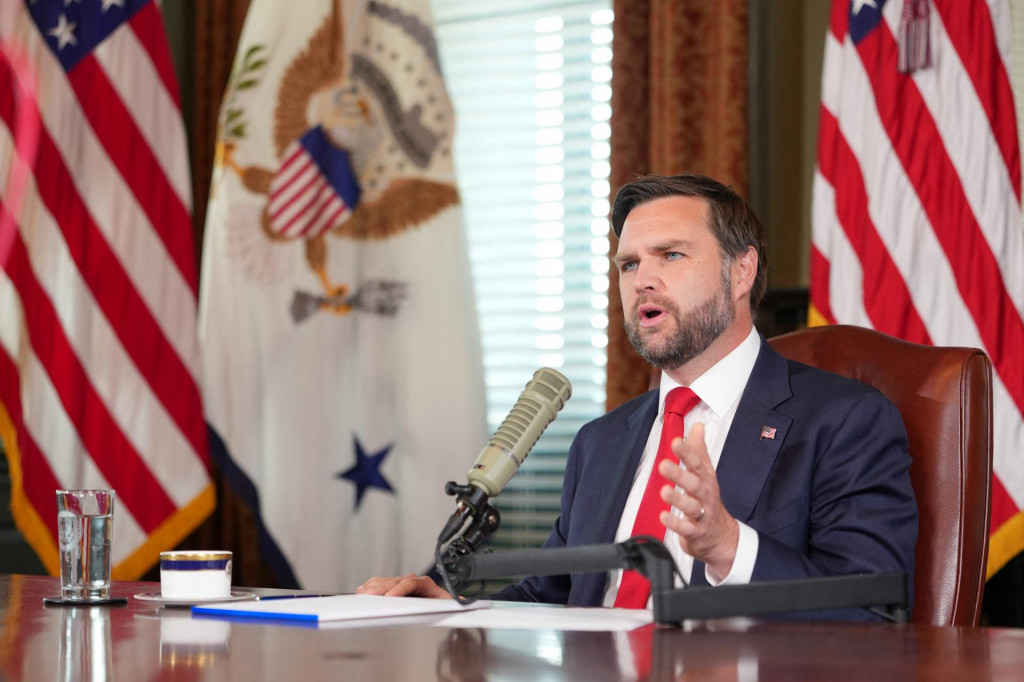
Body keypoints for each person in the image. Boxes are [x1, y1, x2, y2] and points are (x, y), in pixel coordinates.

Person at [357, 173, 918, 617]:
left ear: (741, 271)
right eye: (629, 264)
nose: (641, 280)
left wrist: (729, 547)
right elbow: (553, 598)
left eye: (670, 255)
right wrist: (452, 605)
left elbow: (873, 608)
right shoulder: (599, 442)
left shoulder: (844, 420)